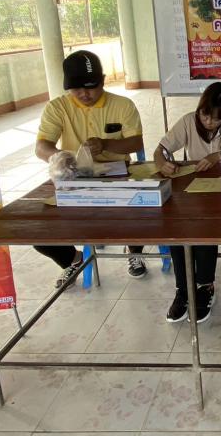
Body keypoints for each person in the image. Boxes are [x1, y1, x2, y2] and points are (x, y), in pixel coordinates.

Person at [35, 50, 145, 287]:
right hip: (72, 177)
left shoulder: (123, 105)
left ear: (103, 81)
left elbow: (136, 143)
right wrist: (59, 157)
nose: (84, 94)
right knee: (36, 229)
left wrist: (106, 144)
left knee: (142, 209)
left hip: (119, 175)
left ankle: (135, 250)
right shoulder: (57, 108)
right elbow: (41, 146)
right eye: (76, 89)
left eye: (91, 87)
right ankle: (73, 259)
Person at [155, 82, 221, 323]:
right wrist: (161, 162)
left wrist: (218, 156)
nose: (208, 122)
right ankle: (183, 289)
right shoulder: (189, 121)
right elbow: (161, 149)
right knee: (178, 228)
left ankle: (205, 286)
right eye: (204, 115)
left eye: (216, 119)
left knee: (206, 228)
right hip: (194, 190)